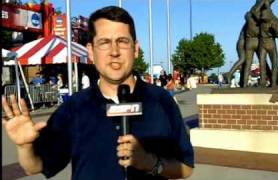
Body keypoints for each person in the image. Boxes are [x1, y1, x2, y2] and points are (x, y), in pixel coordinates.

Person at [2, 6, 193, 180]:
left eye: (122, 41)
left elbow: (186, 167)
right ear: (91, 52)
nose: (114, 51)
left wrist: (150, 162)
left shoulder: (162, 101)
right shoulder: (74, 107)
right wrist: (25, 146)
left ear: (136, 49)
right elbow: (35, 167)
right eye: (104, 42)